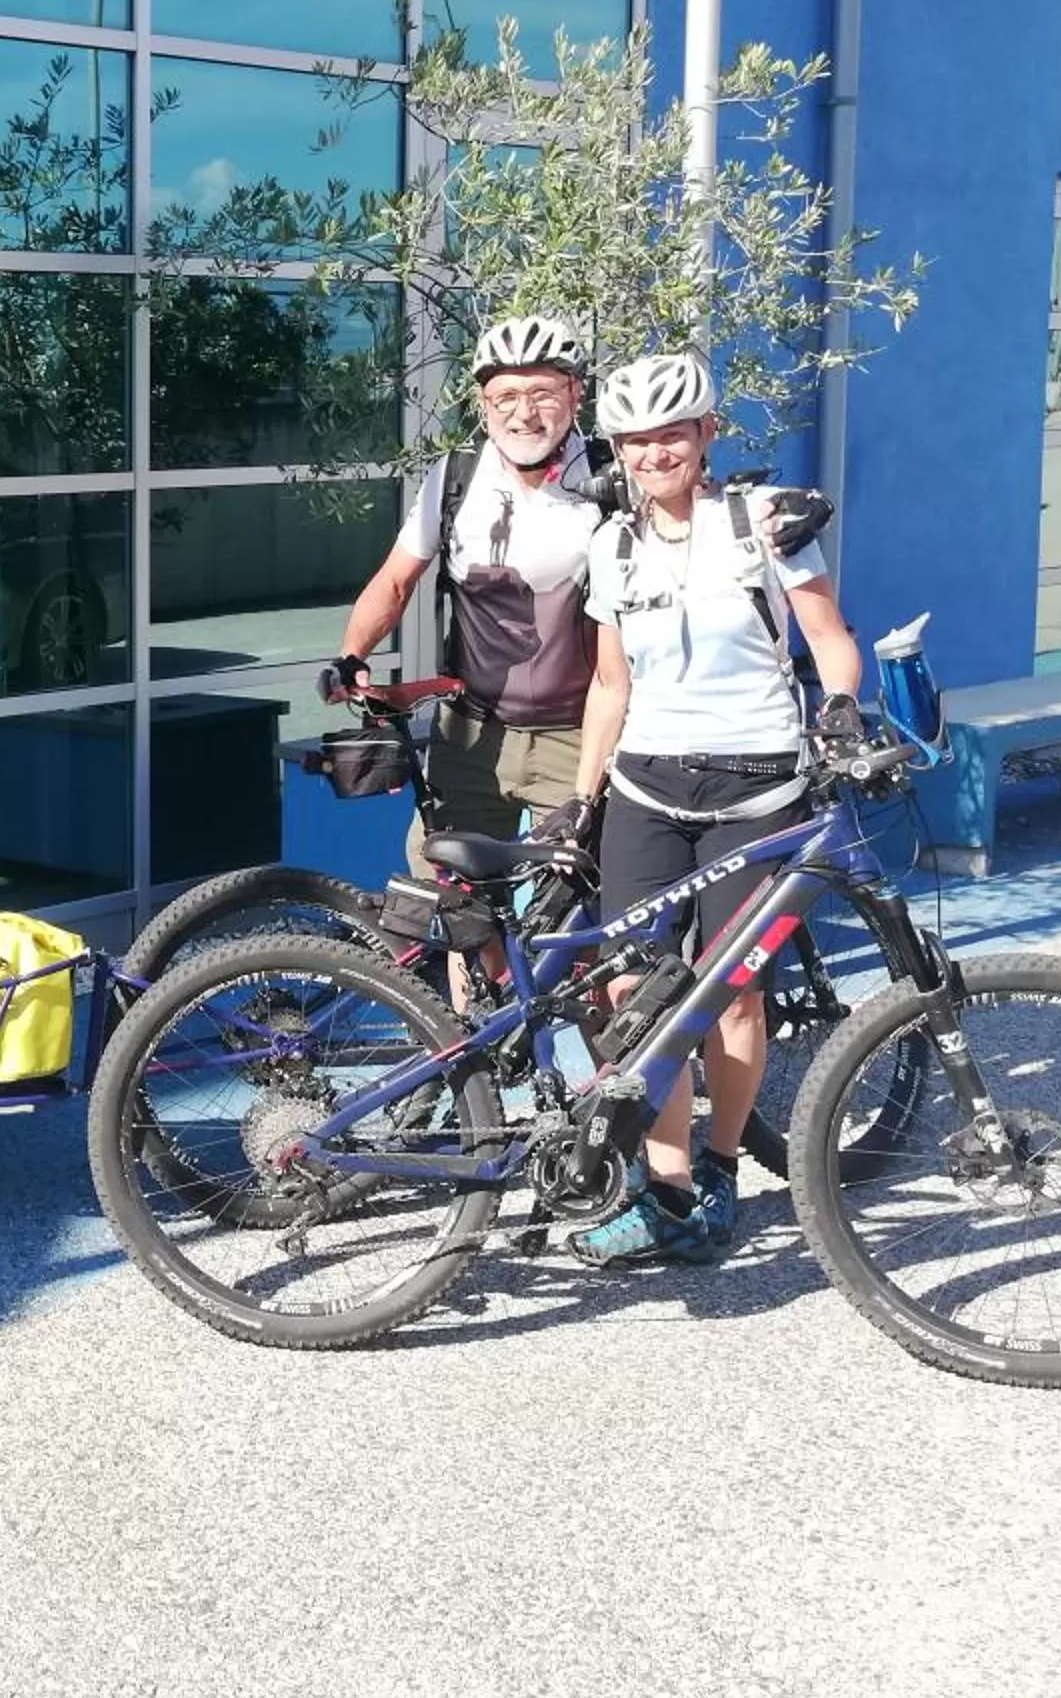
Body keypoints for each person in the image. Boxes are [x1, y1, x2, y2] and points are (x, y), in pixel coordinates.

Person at [563, 350, 865, 1266]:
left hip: (758, 784)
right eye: (637, 439)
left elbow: (830, 640)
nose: (656, 452)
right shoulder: (610, 546)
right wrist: (582, 801)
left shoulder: (764, 526)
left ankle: (724, 1167)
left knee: (730, 997)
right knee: (631, 994)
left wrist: (842, 711)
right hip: (646, 787)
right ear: (618, 448)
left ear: (705, 436)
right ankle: (666, 1189)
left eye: (672, 434)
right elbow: (610, 685)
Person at [331, 316, 608, 868]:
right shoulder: (456, 478)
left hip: (579, 736)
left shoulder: (610, 477)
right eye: (505, 396)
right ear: (483, 403)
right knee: (452, 898)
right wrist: (351, 656)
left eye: (542, 393)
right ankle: (471, 961)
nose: (523, 413)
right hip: (472, 734)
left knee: (580, 910)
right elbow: (394, 580)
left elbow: (693, 512)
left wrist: (770, 518)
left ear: (575, 393)